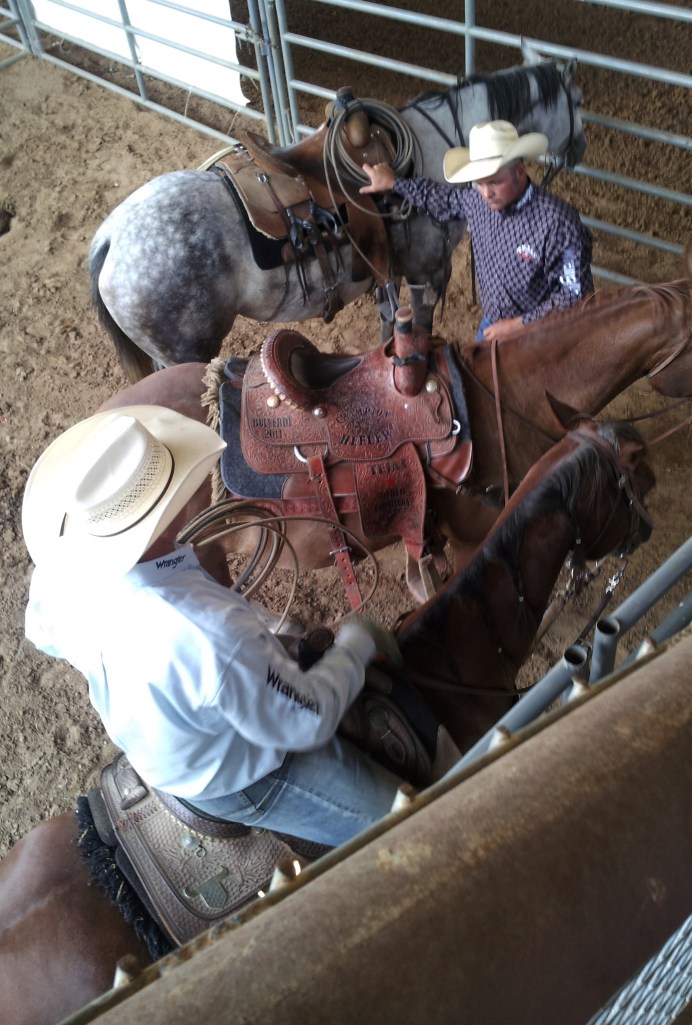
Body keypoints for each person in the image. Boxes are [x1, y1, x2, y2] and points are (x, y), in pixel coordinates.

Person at [22, 405, 407, 848]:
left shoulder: (62, 576)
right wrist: (358, 641)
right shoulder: (208, 630)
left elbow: (43, 631)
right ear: (177, 501)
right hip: (231, 779)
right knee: (410, 821)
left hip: (165, 743)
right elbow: (308, 719)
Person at [361, 119, 594, 343]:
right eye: (479, 183)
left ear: (519, 172)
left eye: (494, 182)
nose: (486, 193)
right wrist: (394, 183)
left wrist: (518, 326)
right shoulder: (478, 202)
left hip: (543, 336)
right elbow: (444, 198)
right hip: (493, 324)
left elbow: (574, 297)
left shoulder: (557, 223)